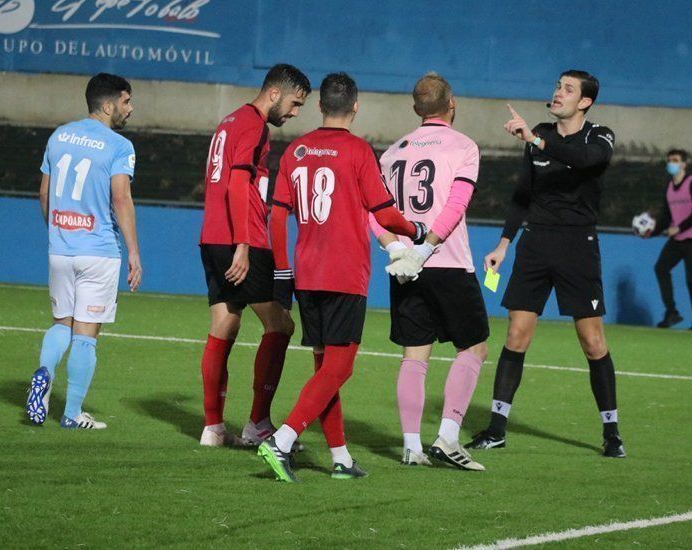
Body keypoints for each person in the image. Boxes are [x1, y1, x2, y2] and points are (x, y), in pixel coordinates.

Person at [258, 72, 427, 482]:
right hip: (345, 274)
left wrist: (283, 271)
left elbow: (277, 214)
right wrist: (415, 231)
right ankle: (281, 440)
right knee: (340, 368)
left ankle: (340, 458)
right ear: (355, 106)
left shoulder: (296, 149)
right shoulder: (357, 151)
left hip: (307, 273)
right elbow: (384, 213)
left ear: (319, 107)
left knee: (325, 369)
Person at [466, 70, 626, 458]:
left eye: (568, 89)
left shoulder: (599, 136)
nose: (558, 93)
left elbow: (586, 161)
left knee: (592, 342)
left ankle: (611, 433)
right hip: (536, 245)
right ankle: (497, 427)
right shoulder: (539, 133)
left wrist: (536, 140)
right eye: (557, 86)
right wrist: (504, 244)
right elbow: (523, 194)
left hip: (577, 246)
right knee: (516, 336)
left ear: (585, 102)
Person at [369, 72, 488, 471]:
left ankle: (410, 446)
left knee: (414, 355)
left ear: (416, 109)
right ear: (451, 104)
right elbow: (456, 206)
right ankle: (448, 438)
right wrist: (425, 248)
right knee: (473, 348)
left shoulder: (392, 152)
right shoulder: (464, 147)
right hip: (447, 262)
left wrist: (397, 248)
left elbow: (376, 212)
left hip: (407, 267)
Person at [197, 64, 311, 447]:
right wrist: (244, 245)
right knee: (281, 325)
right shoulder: (253, 124)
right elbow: (236, 183)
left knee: (224, 326)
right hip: (240, 239)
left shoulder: (229, 121)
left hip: (212, 236)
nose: (294, 113)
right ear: (275, 93)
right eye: (295, 103)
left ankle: (213, 428)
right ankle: (258, 424)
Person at [26, 73, 141, 430]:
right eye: (125, 101)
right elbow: (120, 198)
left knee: (62, 323)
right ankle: (73, 413)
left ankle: (44, 373)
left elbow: (44, 194)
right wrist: (134, 253)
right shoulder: (119, 146)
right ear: (108, 105)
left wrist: (57, 232)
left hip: (60, 248)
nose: (130, 109)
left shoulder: (59, 135)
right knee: (86, 335)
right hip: (98, 251)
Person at [646, 149, 692, 331]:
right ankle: (671, 312)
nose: (671, 164)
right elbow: (666, 217)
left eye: (675, 160)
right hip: (679, 238)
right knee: (661, 268)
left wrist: (679, 227)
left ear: (684, 164)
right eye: (669, 160)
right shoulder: (669, 187)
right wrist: (651, 232)